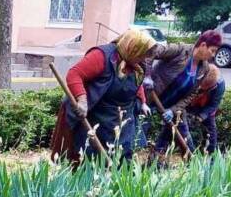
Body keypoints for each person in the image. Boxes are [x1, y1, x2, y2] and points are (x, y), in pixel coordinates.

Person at [49, 28, 157, 165]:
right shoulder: (102, 56)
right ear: (133, 48)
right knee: (89, 159)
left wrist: (143, 102)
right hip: (96, 114)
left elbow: (136, 83)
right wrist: (82, 100)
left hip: (120, 118)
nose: (143, 58)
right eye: (142, 54)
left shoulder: (136, 63)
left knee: (122, 157)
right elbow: (74, 74)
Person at [144, 30, 223, 156]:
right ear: (203, 45)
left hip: (173, 106)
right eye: (212, 50)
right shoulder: (180, 51)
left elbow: (190, 95)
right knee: (138, 134)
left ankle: (157, 162)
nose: (213, 55)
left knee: (185, 140)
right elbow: (151, 52)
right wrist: (147, 75)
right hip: (150, 97)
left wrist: (173, 110)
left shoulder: (204, 68)